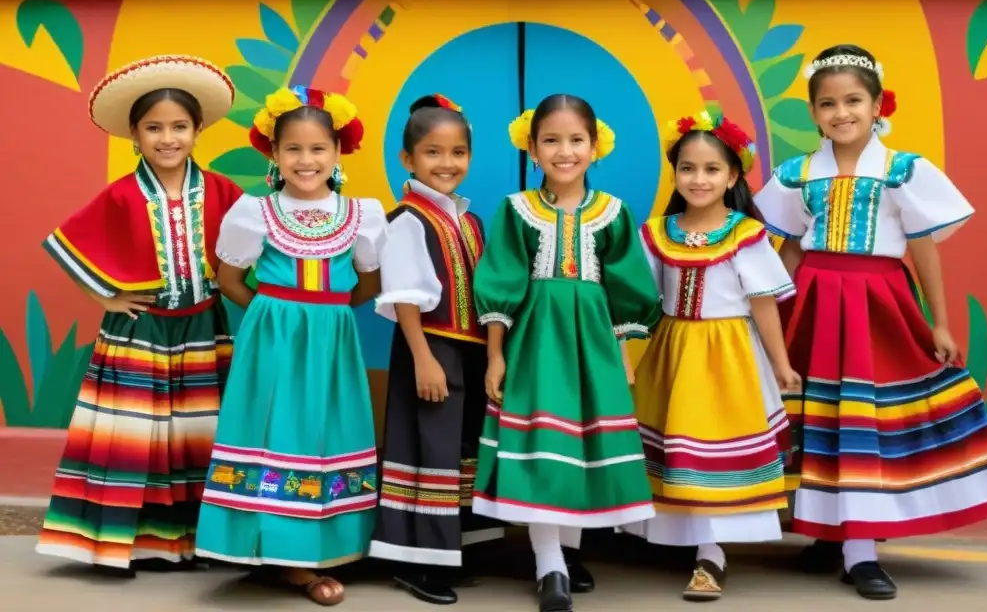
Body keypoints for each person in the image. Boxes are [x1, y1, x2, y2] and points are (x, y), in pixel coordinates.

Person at [755, 44, 987, 600]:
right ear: (813, 113)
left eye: (854, 100)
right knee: (821, 417)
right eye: (827, 104)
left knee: (865, 419)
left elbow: (923, 250)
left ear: (878, 105)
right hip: (814, 301)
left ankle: (863, 549)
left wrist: (939, 324)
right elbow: (791, 251)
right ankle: (829, 534)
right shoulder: (798, 173)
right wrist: (768, 317)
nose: (841, 113)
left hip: (877, 302)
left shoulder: (904, 171)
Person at [36, 55, 242, 574]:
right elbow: (67, 243)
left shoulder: (223, 193)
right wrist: (107, 298)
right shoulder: (123, 195)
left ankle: (198, 540)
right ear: (134, 134)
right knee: (133, 436)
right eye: (154, 128)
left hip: (204, 329)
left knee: (200, 432)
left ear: (198, 130)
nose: (167, 138)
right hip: (140, 333)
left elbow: (260, 247)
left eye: (179, 126)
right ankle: (122, 544)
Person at [194, 86, 386, 606]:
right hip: (273, 338)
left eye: (318, 149)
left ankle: (325, 548)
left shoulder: (362, 214)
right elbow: (230, 278)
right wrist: (274, 311)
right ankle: (276, 552)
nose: (307, 160)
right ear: (274, 154)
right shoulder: (255, 211)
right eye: (294, 149)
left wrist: (328, 312)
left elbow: (367, 284)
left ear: (338, 152)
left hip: (332, 337)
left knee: (325, 431)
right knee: (273, 431)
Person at [471, 94, 663, 612]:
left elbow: (628, 287)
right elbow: (501, 281)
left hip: (595, 343)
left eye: (576, 140)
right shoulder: (515, 211)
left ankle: (569, 553)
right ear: (531, 149)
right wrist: (495, 354)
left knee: (581, 447)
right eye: (551, 140)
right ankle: (549, 563)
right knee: (542, 444)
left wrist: (625, 351)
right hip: (536, 339)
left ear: (595, 147)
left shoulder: (614, 213)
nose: (564, 151)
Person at [622, 110, 801, 602]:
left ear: (734, 176)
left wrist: (781, 365)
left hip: (729, 358)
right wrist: (625, 353)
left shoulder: (745, 234)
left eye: (711, 170)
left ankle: (711, 552)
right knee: (679, 448)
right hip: (673, 353)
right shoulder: (657, 232)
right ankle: (681, 540)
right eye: (687, 168)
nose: (698, 179)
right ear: (675, 173)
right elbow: (637, 302)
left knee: (714, 450)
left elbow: (763, 304)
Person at [369, 94, 503, 604]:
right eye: (433, 153)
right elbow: (404, 295)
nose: (446, 164)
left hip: (463, 352)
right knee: (426, 450)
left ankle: (452, 548)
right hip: (429, 351)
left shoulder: (468, 221)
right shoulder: (407, 218)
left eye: (458, 153)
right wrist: (423, 358)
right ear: (408, 160)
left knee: (457, 449)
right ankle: (413, 559)